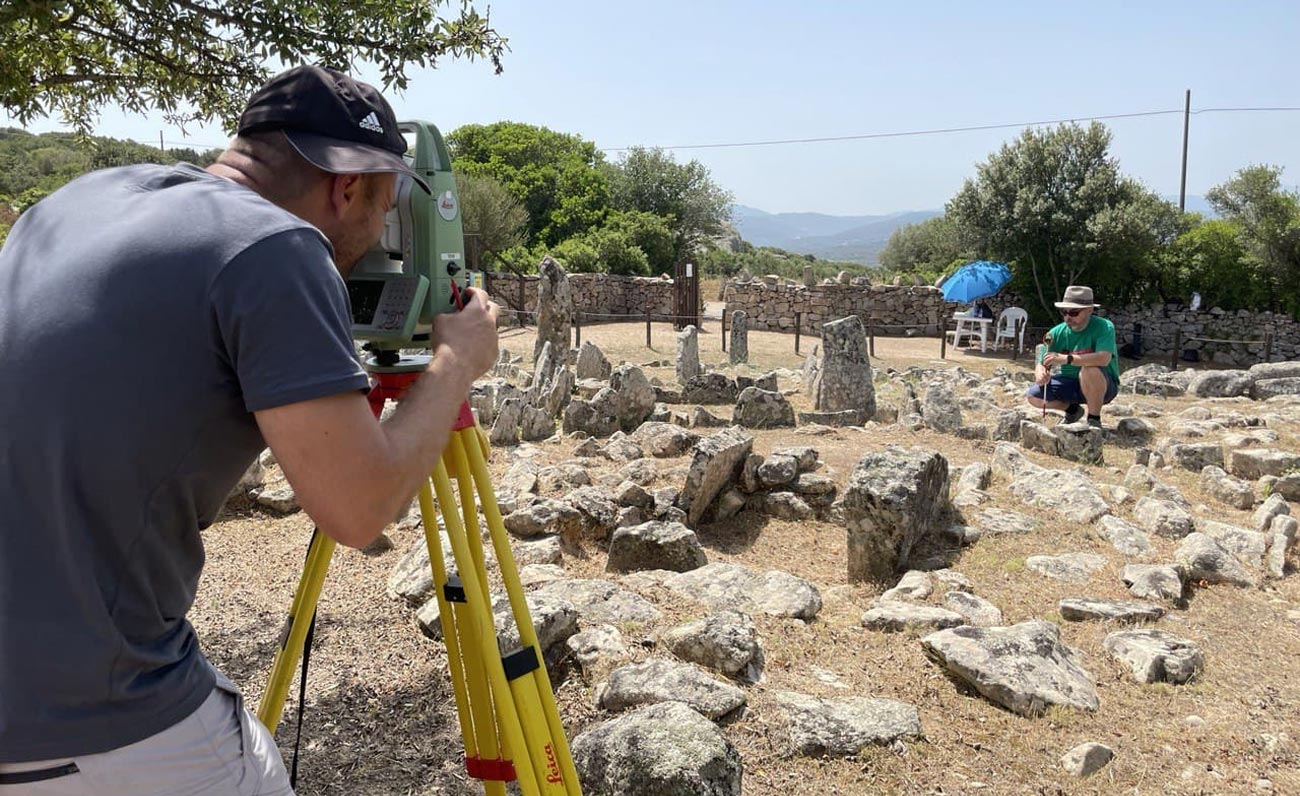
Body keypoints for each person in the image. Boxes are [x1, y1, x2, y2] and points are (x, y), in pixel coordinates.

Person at [0, 66, 499, 795]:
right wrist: (455, 362)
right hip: (98, 720)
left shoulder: (71, 205)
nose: (383, 233)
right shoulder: (277, 249)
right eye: (388, 207)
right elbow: (359, 510)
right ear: (347, 187)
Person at [1025, 285, 1120, 428]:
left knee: (1089, 370)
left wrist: (1067, 359)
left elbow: (1104, 358)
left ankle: (1094, 419)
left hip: (1103, 386)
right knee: (1033, 396)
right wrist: (1040, 373)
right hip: (1069, 383)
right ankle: (1073, 411)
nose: (1068, 317)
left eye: (1074, 312)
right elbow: (1042, 360)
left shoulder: (1104, 327)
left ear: (1089, 310)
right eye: (1065, 312)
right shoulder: (1056, 332)